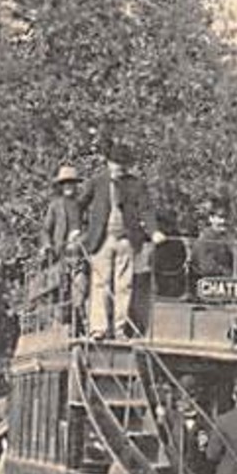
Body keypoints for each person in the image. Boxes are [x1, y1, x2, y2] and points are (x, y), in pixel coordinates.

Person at [77, 144, 165, 340]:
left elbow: (146, 209)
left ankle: (119, 329)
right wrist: (75, 228)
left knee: (124, 286)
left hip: (126, 240)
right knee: (100, 283)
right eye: (116, 163)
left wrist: (154, 231)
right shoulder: (96, 182)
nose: (119, 168)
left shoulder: (136, 184)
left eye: (123, 165)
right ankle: (98, 329)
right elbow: (79, 205)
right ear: (109, 162)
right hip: (102, 240)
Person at [40, 164, 87, 331]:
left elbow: (90, 227)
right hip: (60, 254)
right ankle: (60, 325)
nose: (69, 186)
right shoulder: (55, 205)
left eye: (72, 183)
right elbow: (46, 229)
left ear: (76, 185)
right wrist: (46, 246)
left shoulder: (82, 204)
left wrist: (81, 237)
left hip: (79, 254)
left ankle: (79, 323)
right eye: (66, 183)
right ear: (61, 186)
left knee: (80, 286)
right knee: (60, 290)